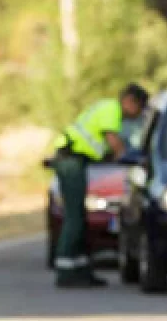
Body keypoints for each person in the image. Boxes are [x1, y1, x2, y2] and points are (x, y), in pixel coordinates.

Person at [52, 83, 149, 288]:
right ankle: (65, 269)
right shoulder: (111, 110)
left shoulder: (108, 108)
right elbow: (113, 141)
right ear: (130, 101)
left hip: (75, 161)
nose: (137, 114)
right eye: (139, 108)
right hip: (71, 161)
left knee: (79, 216)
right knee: (74, 217)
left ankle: (81, 269)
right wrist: (130, 158)